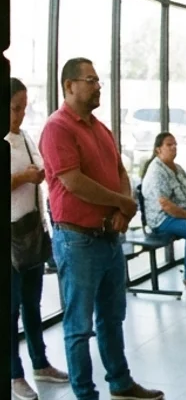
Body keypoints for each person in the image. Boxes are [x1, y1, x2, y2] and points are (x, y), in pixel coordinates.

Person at [39, 58, 162, 400]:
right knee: (79, 326)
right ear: (69, 86)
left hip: (108, 236)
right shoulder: (57, 128)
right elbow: (74, 182)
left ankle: (120, 383)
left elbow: (120, 172)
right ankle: (85, 393)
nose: (97, 86)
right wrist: (122, 204)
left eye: (98, 81)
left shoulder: (98, 127)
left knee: (112, 318)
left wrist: (123, 207)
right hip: (78, 240)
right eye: (90, 80)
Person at [9, 78, 70, 400]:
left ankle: (40, 362)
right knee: (12, 308)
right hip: (11, 236)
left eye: (23, 108)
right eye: (14, 108)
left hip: (33, 231)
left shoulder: (25, 137)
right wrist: (22, 177)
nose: (19, 114)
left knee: (32, 303)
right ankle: (14, 373)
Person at [140, 132, 186, 298]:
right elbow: (165, 205)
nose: (174, 147)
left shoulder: (177, 168)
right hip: (163, 219)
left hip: (182, 213)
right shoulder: (156, 171)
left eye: (175, 144)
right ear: (158, 150)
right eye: (169, 145)